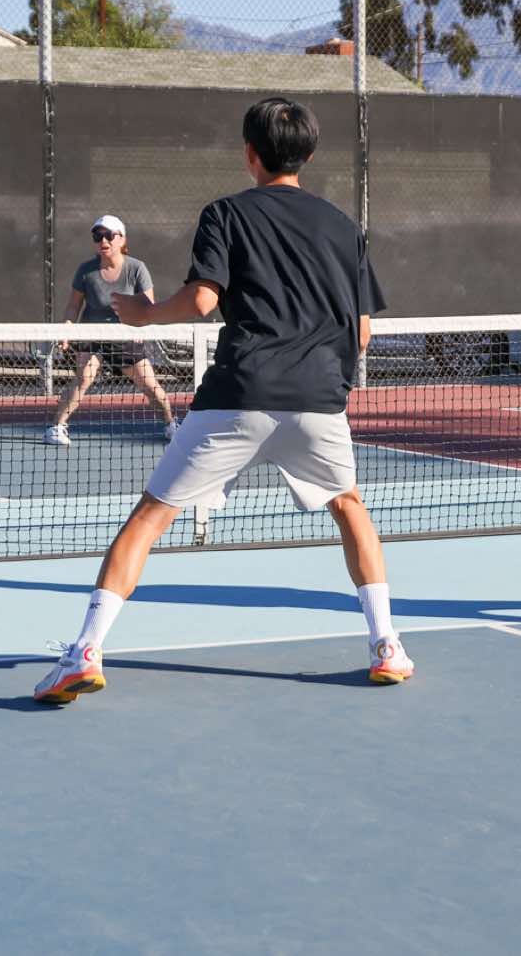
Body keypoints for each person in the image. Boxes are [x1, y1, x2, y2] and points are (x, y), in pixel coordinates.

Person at [32, 97, 412, 703]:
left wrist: (146, 316)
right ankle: (387, 644)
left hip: (238, 394)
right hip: (319, 401)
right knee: (349, 508)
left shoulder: (226, 214)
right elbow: (361, 333)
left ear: (250, 154)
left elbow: (204, 301)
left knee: (151, 517)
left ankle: (84, 653)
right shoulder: (346, 227)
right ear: (309, 155)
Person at [43, 214, 177, 445]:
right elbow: (73, 306)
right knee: (84, 377)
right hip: (92, 336)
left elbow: (148, 305)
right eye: (98, 236)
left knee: (149, 384)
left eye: (108, 235)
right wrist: (67, 330)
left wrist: (139, 330)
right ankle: (56, 427)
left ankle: (171, 424)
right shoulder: (86, 271)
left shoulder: (136, 268)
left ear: (122, 239)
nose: (103, 241)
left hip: (126, 336)